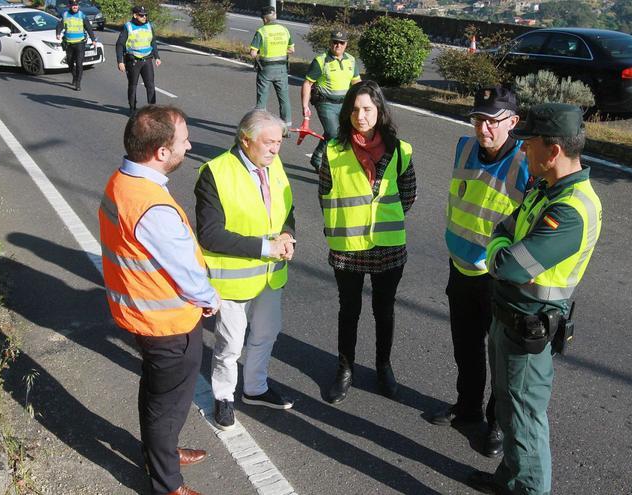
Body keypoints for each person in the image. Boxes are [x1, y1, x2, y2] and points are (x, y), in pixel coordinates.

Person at [466, 103, 603, 495]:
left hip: (529, 328)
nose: (522, 151)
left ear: (554, 150)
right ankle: (509, 479)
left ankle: (528, 488)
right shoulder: (546, 187)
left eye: (528, 144)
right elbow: (505, 226)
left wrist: (497, 252)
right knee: (510, 413)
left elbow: (509, 264)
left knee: (525, 419)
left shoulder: (572, 211)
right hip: (510, 319)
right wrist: (501, 245)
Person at [98, 105, 220, 495]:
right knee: (167, 405)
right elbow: (185, 272)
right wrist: (208, 297)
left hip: (141, 314)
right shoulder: (152, 207)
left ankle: (161, 451)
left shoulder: (122, 182)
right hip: (169, 325)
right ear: (162, 153)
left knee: (155, 394)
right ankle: (167, 484)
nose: (189, 145)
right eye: (183, 140)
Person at [426, 87, 530, 459]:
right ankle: (468, 406)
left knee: (499, 354)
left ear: (513, 122)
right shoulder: (464, 147)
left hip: (497, 277)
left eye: (492, 121)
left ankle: (496, 421)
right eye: (478, 119)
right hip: (460, 266)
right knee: (465, 345)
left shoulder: (524, 163)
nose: (483, 128)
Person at [195, 109, 296, 431]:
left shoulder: (274, 164)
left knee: (266, 334)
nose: (275, 149)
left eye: (279, 142)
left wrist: (288, 235)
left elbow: (286, 208)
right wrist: (267, 247)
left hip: (270, 274)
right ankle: (223, 397)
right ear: (245, 139)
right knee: (230, 344)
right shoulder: (215, 173)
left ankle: (255, 387)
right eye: (269, 143)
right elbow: (210, 234)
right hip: (234, 279)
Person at [319, 80, 417, 404]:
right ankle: (344, 369)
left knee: (384, 310)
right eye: (355, 109)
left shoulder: (400, 151)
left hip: (388, 246)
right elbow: (324, 193)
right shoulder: (333, 150)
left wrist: (379, 218)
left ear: (379, 111)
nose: (361, 116)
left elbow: (408, 194)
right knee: (349, 310)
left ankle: (383, 366)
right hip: (347, 248)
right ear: (347, 111)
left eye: (368, 109)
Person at [301, 30, 361, 171]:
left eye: (341, 43)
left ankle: (317, 156)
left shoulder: (351, 60)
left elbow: (357, 83)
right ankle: (326, 163)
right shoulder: (321, 61)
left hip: (345, 103)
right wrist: (305, 106)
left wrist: (362, 102)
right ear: (330, 43)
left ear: (346, 44)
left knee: (340, 132)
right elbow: (307, 84)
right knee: (334, 133)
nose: (338, 45)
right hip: (325, 103)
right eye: (335, 42)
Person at [249, 6, 294, 126]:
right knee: (284, 99)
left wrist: (259, 54)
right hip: (282, 69)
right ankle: (286, 127)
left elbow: (253, 53)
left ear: (264, 19)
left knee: (262, 99)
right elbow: (291, 50)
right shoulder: (285, 30)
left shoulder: (262, 31)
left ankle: (258, 126)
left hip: (266, 70)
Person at [117, 6, 161, 115]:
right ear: (135, 15)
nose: (144, 17)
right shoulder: (128, 27)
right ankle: (132, 108)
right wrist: (120, 61)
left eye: (145, 15)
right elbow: (120, 45)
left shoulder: (149, 26)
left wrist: (157, 57)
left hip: (147, 60)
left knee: (150, 85)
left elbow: (153, 42)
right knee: (133, 85)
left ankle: (152, 109)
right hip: (133, 61)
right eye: (141, 15)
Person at [55, 0, 96, 91]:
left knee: (79, 63)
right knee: (69, 63)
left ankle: (78, 83)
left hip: (80, 43)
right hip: (69, 44)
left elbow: (88, 27)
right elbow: (59, 25)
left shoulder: (82, 15)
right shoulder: (65, 15)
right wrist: (58, 33)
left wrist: (93, 40)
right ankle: (74, 76)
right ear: (70, 6)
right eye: (73, 5)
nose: (75, 7)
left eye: (76, 5)